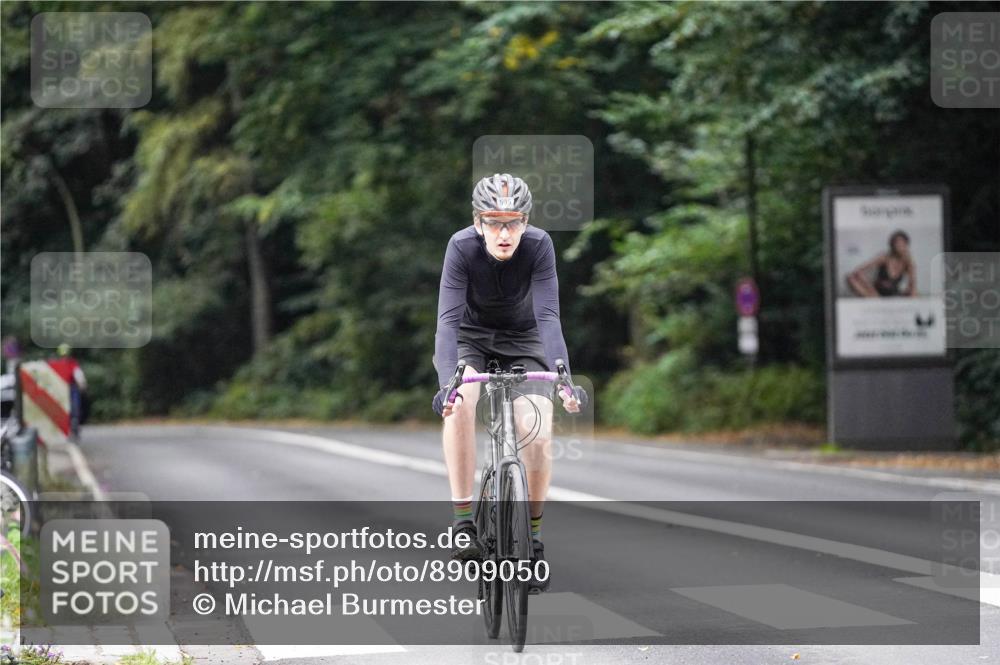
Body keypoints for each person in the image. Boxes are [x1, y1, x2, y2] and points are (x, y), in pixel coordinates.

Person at [432, 173, 582, 593]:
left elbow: (549, 316)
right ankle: (463, 521)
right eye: (494, 222)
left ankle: (532, 541)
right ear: (478, 222)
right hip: (469, 338)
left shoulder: (539, 246)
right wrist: (448, 385)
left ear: (525, 222)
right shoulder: (461, 247)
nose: (504, 232)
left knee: (537, 427)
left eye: (512, 222)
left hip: (525, 340)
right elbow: (446, 321)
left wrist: (564, 378)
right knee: (461, 403)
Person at [846, 230, 916, 298]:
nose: (899, 246)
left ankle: (875, 299)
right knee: (850, 277)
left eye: (902, 243)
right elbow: (859, 270)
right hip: (875, 292)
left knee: (912, 293)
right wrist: (870, 287)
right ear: (892, 245)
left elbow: (912, 283)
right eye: (897, 243)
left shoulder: (908, 261)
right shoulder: (884, 258)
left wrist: (911, 295)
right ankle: (874, 298)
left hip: (893, 293)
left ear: (906, 245)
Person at [49, 344, 88, 442]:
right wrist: (83, 386)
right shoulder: (71, 363)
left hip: (63, 388)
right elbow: (79, 376)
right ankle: (71, 429)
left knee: (70, 410)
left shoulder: (58, 363)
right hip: (67, 388)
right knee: (74, 409)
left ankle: (71, 429)